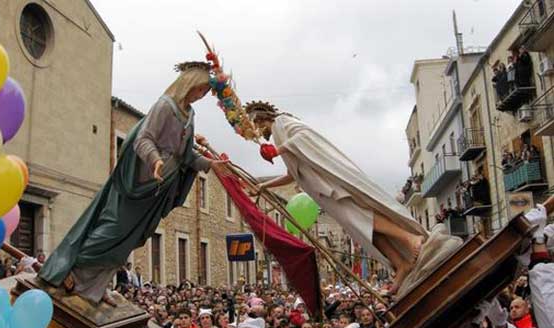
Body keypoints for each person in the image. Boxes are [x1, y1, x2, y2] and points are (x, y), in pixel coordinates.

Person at [38, 61, 229, 306]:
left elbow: (186, 155)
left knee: (127, 241)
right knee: (110, 232)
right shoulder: (164, 107)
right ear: (188, 83)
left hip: (156, 191)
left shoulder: (189, 115)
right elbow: (143, 140)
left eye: (204, 92)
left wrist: (211, 164)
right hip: (137, 184)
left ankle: (94, 287)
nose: (200, 95)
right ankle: (68, 274)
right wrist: (155, 161)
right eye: (200, 89)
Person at [246, 101, 428, 292]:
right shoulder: (278, 136)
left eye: (257, 126)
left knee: (360, 217)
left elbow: (304, 137)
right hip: (321, 192)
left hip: (331, 181)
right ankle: (400, 264)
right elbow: (292, 175)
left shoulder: (282, 122)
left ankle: (410, 237)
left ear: (261, 118)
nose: (258, 132)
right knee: (361, 229)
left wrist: (278, 150)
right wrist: (262, 186)